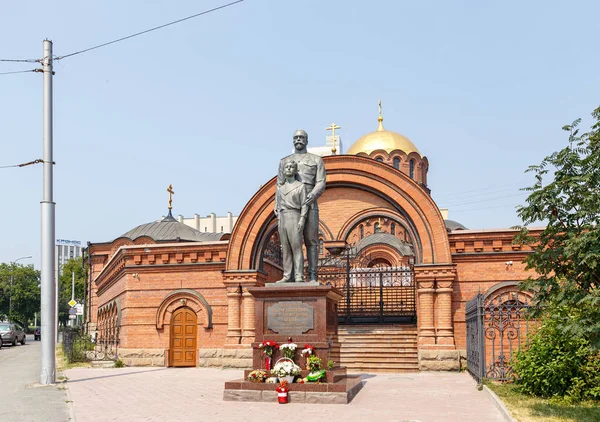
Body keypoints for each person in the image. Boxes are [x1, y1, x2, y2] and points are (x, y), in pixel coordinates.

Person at [277, 129, 326, 283]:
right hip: (290, 205)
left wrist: (312, 195)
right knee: (289, 241)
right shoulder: (284, 161)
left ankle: (312, 275)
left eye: (302, 137)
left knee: (311, 240)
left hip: (309, 204)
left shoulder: (316, 160)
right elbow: (279, 184)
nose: (299, 140)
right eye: (296, 137)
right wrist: (277, 205)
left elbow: (321, 182)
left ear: (306, 140)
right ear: (293, 140)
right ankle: (290, 275)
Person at [274, 161, 308, 282]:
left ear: (295, 170)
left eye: (291, 167)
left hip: (294, 216)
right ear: (283, 170)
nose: (288, 169)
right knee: (286, 248)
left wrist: (302, 220)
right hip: (282, 218)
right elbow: (277, 205)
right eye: (286, 167)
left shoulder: (300, 186)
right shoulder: (280, 188)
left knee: (296, 247)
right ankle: (287, 276)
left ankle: (299, 275)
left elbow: (304, 204)